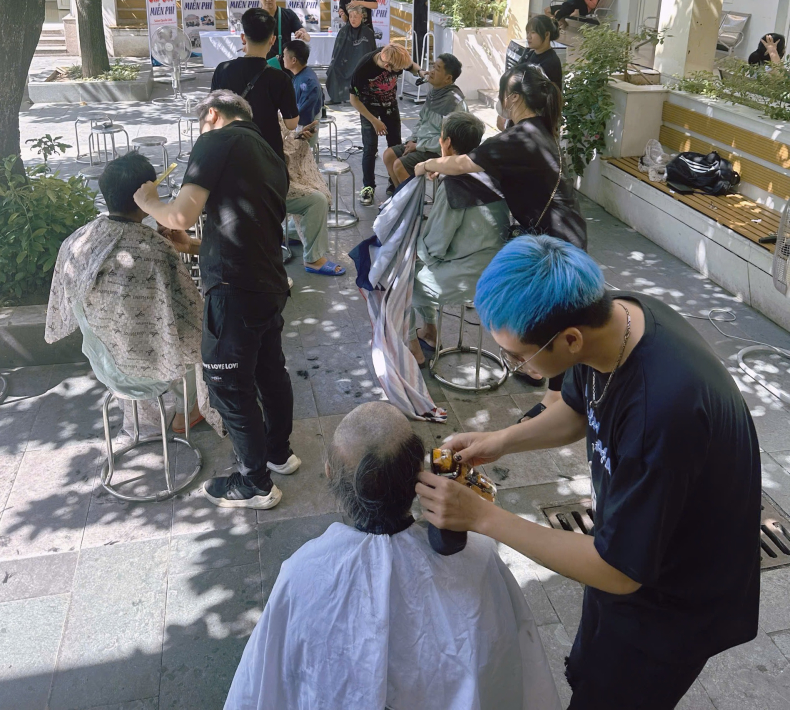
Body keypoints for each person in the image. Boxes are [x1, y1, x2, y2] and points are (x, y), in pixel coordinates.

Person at [416, 235, 761, 710]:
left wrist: (482, 517)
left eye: (518, 357)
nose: (516, 365)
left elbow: (618, 572)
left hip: (674, 597)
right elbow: (577, 409)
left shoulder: (661, 413)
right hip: (633, 539)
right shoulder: (613, 319)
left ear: (570, 339)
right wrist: (499, 441)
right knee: (591, 665)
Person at [224, 402, 561, 710]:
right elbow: (509, 669)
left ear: (329, 473)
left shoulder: (303, 573)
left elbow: (262, 686)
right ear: (420, 472)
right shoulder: (479, 556)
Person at [134, 90, 299, 511]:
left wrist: (148, 201)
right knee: (269, 373)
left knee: (227, 384)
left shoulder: (216, 140)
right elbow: (247, 227)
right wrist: (193, 246)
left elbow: (180, 214)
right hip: (268, 283)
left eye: (201, 125)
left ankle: (255, 483)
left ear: (212, 114)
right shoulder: (269, 153)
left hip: (236, 290)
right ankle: (279, 454)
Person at [414, 64, 586, 409]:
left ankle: (554, 397)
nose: (500, 100)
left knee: (555, 316)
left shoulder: (521, 137)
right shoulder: (537, 130)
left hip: (555, 237)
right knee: (550, 313)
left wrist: (426, 165)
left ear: (514, 98)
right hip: (562, 229)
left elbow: (461, 164)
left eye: (502, 93)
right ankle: (536, 371)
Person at [45, 152, 204, 434]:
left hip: (105, 364)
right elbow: (191, 316)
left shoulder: (76, 241)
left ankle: (145, 417)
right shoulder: (155, 249)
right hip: (150, 370)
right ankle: (186, 413)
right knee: (201, 340)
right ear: (146, 196)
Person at [408, 112, 510, 367]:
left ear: (447, 142)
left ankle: (411, 347)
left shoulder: (455, 186)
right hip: (497, 271)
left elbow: (435, 245)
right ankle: (430, 332)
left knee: (397, 279)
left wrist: (408, 249)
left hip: (470, 278)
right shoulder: (490, 174)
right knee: (418, 264)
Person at [210, 8, 299, 161]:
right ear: (272, 40)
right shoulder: (281, 78)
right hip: (268, 155)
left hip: (231, 153)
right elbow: (291, 124)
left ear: (243, 38)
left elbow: (212, 113)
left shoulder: (222, 70)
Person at [382, 53, 467, 196]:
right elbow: (422, 120)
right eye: (433, 66)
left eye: (437, 69)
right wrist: (412, 140)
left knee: (400, 165)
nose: (431, 72)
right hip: (421, 143)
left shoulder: (454, 102)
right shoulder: (434, 93)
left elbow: (448, 140)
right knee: (389, 155)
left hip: (437, 150)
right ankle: (400, 197)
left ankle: (412, 204)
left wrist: (418, 146)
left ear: (448, 78)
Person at [350, 43, 423, 206]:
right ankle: (368, 186)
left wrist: (420, 71)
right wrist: (374, 121)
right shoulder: (363, 69)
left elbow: (410, 65)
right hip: (368, 108)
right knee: (370, 148)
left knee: (395, 145)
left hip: (390, 106)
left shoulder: (395, 56)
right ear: (387, 66)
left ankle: (393, 182)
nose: (399, 72)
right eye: (397, 70)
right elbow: (353, 100)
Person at [280, 116, 346, 276]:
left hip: (276, 173)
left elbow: (284, 137)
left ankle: (289, 233)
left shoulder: (272, 111)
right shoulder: (262, 114)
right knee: (317, 200)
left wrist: (297, 137)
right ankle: (313, 259)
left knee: (317, 188)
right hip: (265, 182)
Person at [325, 4, 377, 103]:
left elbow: (372, 52)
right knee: (333, 68)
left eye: (355, 17)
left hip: (361, 64)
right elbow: (337, 51)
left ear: (361, 17)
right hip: (346, 63)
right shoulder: (344, 31)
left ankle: (362, 97)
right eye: (351, 16)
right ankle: (336, 97)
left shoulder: (368, 33)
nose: (353, 19)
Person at [255, 0, 310, 66]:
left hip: (284, 65)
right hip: (261, 64)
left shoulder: (288, 14)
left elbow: (306, 37)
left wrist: (303, 35)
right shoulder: (254, 17)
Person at [281, 39, 323, 148]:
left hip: (304, 131)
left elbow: (304, 115)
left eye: (284, 55)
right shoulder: (300, 75)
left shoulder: (308, 82)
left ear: (293, 60)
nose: (282, 58)